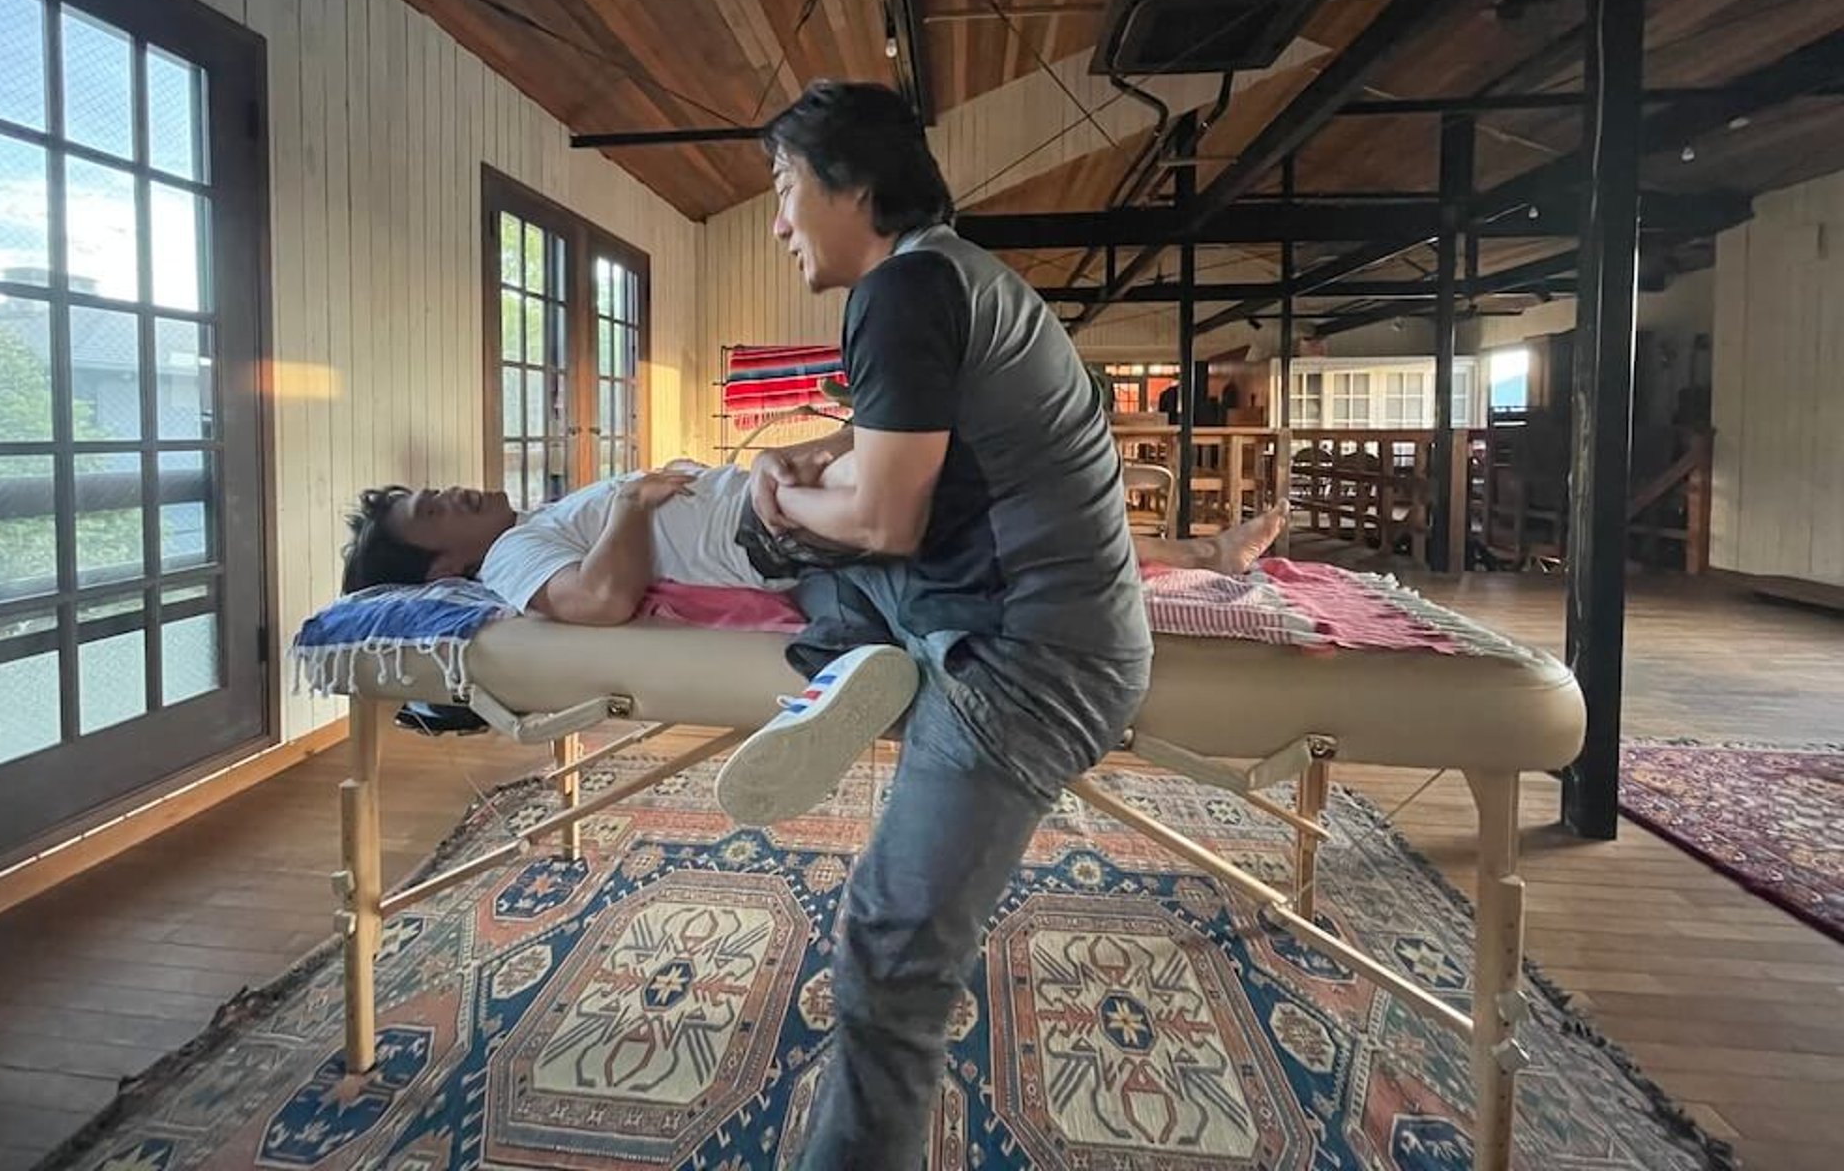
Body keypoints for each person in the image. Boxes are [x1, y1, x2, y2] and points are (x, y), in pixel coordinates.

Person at [705, 79, 1172, 1171]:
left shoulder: (903, 290)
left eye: (783, 188)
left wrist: (779, 501)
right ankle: (858, 660)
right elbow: (892, 448)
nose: (776, 223)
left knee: (890, 950)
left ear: (852, 187)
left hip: (1028, 661)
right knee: (807, 559)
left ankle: (859, 661)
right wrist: (812, 460)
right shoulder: (953, 274)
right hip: (1012, 611)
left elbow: (885, 518)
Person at [339, 459, 1287, 616]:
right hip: (765, 532)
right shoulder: (509, 560)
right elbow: (598, 601)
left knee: (974, 504)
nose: (451, 493)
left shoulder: (536, 520)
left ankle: (1193, 551)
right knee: (951, 479)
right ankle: (1088, 483)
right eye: (433, 512)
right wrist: (631, 503)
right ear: (447, 562)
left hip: (770, 506)